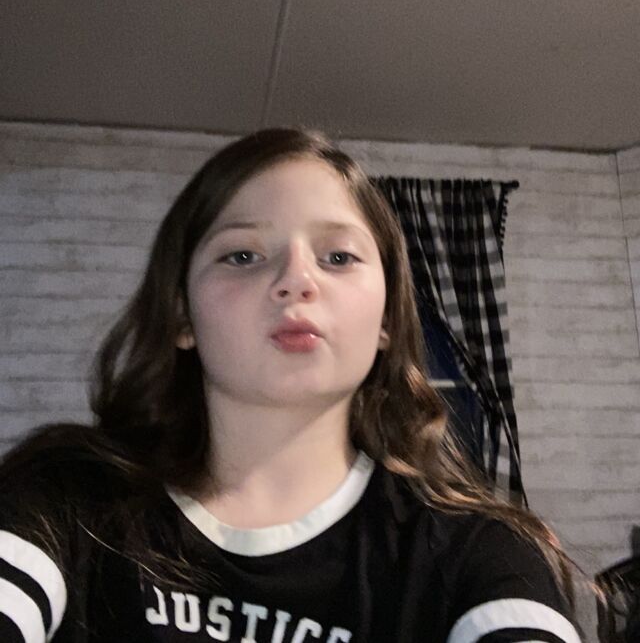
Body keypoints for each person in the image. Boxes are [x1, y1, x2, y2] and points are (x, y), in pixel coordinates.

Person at [0, 127, 585, 642]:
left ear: (386, 320)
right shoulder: (64, 496)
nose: (296, 279)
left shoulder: (482, 553)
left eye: (338, 257)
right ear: (181, 316)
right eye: (242, 255)